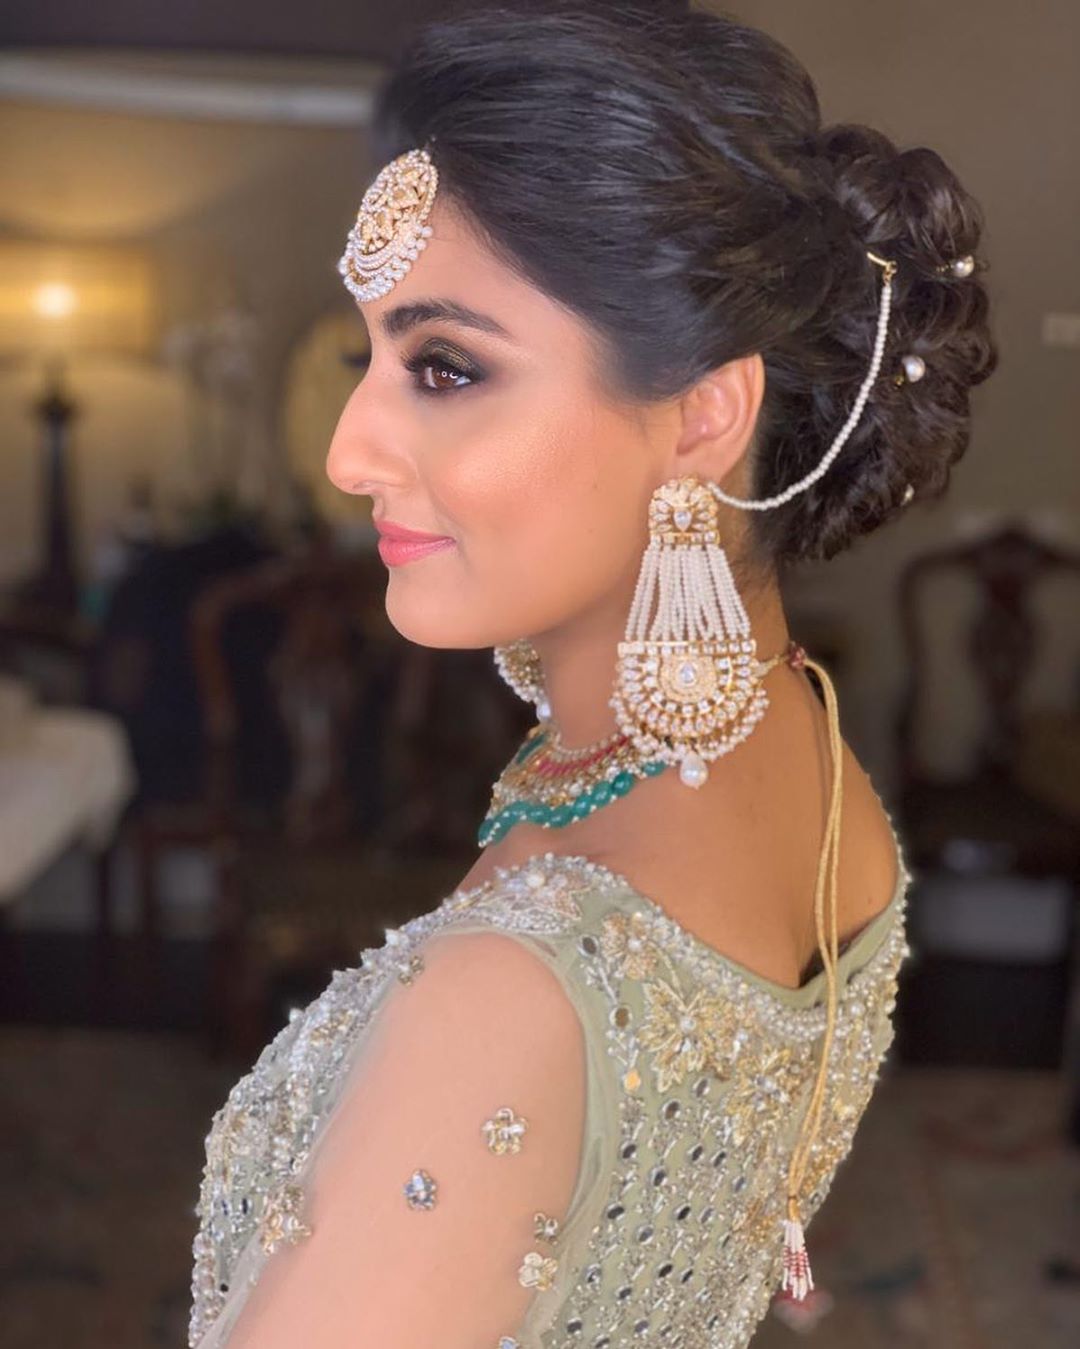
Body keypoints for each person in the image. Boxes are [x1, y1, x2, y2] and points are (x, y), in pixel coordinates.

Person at [187, 6, 998, 1346]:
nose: (347, 451)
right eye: (365, 355)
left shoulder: (505, 1002)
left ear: (704, 415)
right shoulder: (807, 745)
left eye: (445, 366)